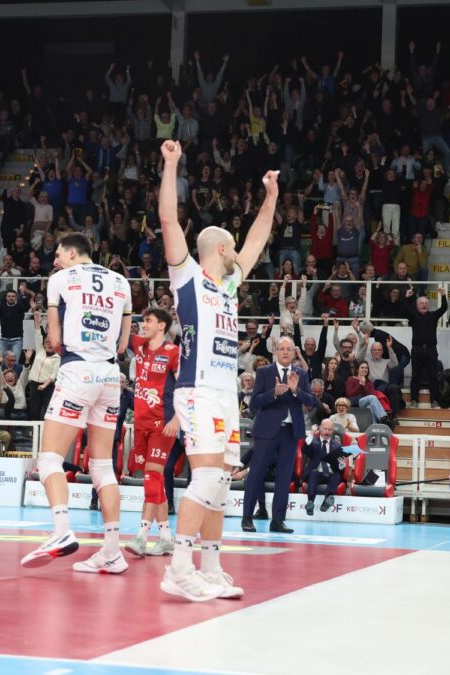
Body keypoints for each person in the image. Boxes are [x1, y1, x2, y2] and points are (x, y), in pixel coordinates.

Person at [156, 140, 279, 602]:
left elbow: (257, 240)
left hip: (226, 392)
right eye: (234, 249)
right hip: (198, 389)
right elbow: (169, 219)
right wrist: (171, 165)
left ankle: (209, 566)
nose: (239, 255)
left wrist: (270, 198)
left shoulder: (228, 284)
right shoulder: (187, 275)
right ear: (221, 248)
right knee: (206, 478)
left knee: (222, 482)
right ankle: (178, 568)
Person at [19, 233, 132, 574]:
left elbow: (54, 342)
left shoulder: (60, 280)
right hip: (111, 376)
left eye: (58, 254)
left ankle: (61, 531)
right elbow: (123, 344)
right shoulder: (121, 282)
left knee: (50, 459)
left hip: (77, 371)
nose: (55, 261)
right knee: (102, 466)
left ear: (71, 252)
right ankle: (112, 553)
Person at [123, 308, 181, 559]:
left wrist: (178, 419)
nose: (142, 325)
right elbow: (121, 327)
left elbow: (187, 387)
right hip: (141, 423)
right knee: (155, 483)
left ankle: (142, 536)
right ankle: (167, 539)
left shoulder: (173, 352)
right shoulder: (140, 346)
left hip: (163, 423)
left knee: (152, 476)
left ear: (162, 326)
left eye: (148, 321)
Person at [246, 336, 316, 534]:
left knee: (284, 478)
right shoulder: (264, 372)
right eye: (282, 348)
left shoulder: (301, 374)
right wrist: (273, 393)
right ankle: (247, 517)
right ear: (275, 351)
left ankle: (278, 520)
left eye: (289, 349)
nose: (286, 352)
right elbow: (254, 404)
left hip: (290, 433)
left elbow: (310, 400)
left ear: (294, 353)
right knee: (256, 474)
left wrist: (296, 391)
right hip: (266, 431)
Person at [303, 418, 351, 515]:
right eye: (325, 429)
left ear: (332, 431)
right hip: (316, 472)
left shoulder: (338, 445)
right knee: (314, 472)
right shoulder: (313, 441)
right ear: (320, 428)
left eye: (329, 430)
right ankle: (310, 502)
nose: (327, 432)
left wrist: (342, 464)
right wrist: (311, 435)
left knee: (336, 475)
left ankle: (327, 501)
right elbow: (305, 451)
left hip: (330, 473)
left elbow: (339, 468)